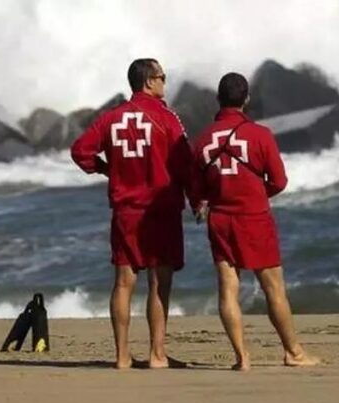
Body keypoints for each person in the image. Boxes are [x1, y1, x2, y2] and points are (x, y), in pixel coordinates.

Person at [190, 72, 320, 371]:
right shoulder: (260, 134)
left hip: (220, 219)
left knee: (227, 288)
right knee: (274, 288)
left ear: (218, 100)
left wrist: (208, 201)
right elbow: (279, 180)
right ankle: (293, 353)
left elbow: (197, 191)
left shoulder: (203, 140)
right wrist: (256, 195)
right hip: (254, 218)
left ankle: (242, 357)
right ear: (246, 99)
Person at [71, 58, 194, 369]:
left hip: (126, 210)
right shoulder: (167, 118)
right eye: (162, 77)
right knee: (159, 283)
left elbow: (80, 151)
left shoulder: (111, 119)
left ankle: (122, 356)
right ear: (149, 82)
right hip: (161, 210)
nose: (165, 83)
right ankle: (157, 354)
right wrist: (198, 198)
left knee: (124, 282)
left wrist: (106, 169)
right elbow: (184, 164)